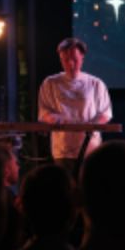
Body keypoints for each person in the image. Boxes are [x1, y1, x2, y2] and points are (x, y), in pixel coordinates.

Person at [38, 37, 113, 175]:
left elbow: (105, 113)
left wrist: (91, 125)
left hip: (90, 149)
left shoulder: (95, 83)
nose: (70, 64)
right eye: (65, 60)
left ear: (82, 57)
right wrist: (55, 119)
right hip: (63, 150)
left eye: (74, 59)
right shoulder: (50, 83)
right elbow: (44, 112)